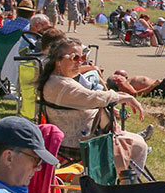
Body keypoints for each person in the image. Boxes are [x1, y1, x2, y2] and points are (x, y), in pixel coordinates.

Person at [37, 38, 150, 169]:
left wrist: (120, 96)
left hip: (78, 136)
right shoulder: (62, 85)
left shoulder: (55, 81)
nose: (80, 62)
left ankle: (129, 142)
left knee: (137, 143)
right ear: (58, 60)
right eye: (75, 57)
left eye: (83, 57)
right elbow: (93, 97)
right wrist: (124, 97)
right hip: (82, 141)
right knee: (140, 146)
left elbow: (90, 98)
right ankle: (127, 187)